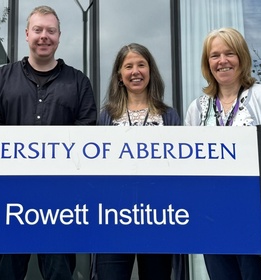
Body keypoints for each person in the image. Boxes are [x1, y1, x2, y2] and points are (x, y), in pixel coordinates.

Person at [0, 5, 97, 280]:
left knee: (59, 274)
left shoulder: (79, 82)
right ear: (26, 34)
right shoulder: (1, 77)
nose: (44, 36)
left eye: (51, 31)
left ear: (59, 36)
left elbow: (87, 131)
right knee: (7, 273)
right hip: (10, 198)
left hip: (60, 201)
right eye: (38, 30)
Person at [184, 27, 261, 280]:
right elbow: (191, 165)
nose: (222, 61)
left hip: (257, 216)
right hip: (214, 217)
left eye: (229, 53)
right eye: (214, 56)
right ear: (207, 63)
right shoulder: (197, 108)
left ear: (242, 57)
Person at [94, 43, 180, 280]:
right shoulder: (107, 116)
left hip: (157, 219)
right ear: (119, 75)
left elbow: (177, 169)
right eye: (128, 66)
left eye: (141, 65)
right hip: (114, 220)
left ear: (150, 71)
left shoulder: (168, 115)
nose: (135, 71)